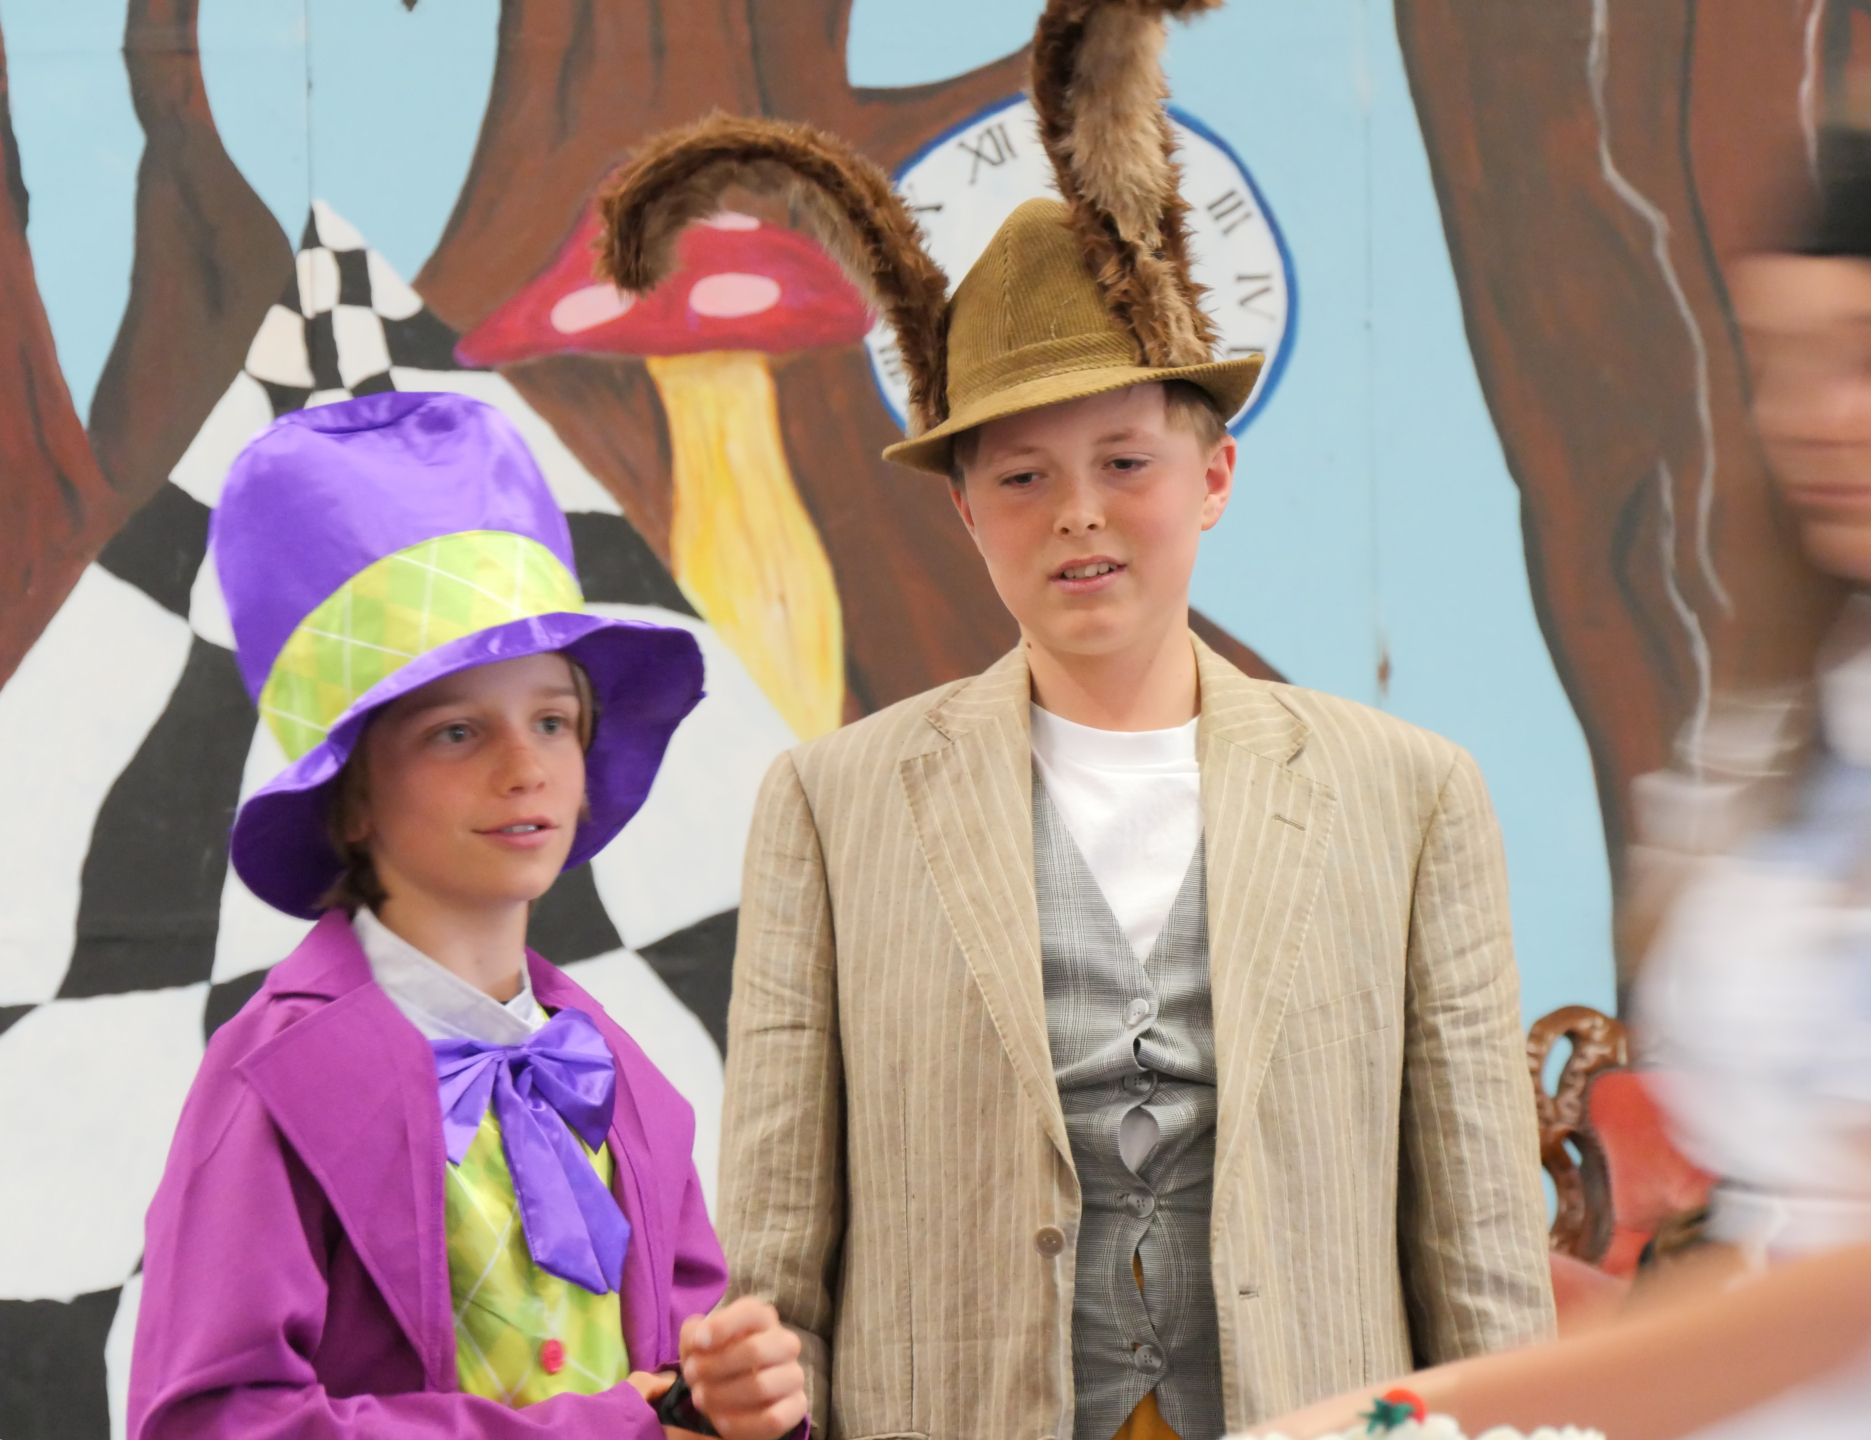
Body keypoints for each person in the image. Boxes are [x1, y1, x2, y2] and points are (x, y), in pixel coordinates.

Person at [596, 3, 1554, 1437]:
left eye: (1125, 460)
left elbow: (1479, 1251)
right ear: (965, 511)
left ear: (1213, 477)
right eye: (1022, 477)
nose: (1079, 513)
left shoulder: (1408, 794)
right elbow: (779, 1257)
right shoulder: (832, 803)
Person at [1254, 72, 1871, 1440]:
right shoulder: (1809, 716)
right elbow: (1785, 1250)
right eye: (1783, 359)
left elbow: (1869, 1286)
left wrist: (1401, 1413)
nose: (1819, 417)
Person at [127, 392, 809, 1440]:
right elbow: (212, 1422)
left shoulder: (620, 1078)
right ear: (351, 794)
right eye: (456, 731)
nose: (525, 766)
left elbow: (677, 1391)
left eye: (553, 720)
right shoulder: (271, 1081)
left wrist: (737, 1406)